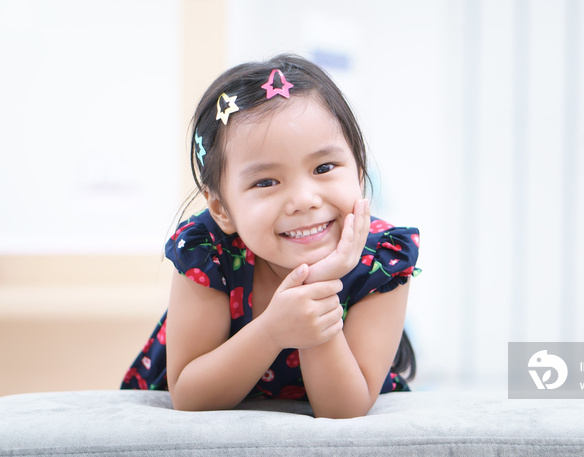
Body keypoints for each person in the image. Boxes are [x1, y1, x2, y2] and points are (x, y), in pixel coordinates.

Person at [121, 54, 420, 418]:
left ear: (358, 172)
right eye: (266, 182)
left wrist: (319, 285)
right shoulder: (209, 251)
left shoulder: (383, 259)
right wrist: (272, 331)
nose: (304, 200)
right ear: (222, 209)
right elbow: (189, 396)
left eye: (324, 167)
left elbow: (343, 411)